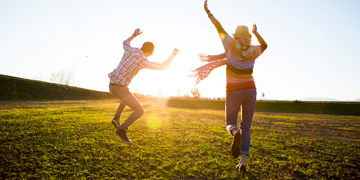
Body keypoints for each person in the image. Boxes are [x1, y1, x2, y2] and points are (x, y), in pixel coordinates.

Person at [190, 0, 268, 172]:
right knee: (246, 126)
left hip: (233, 91)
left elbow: (218, 26)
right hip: (250, 90)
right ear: (248, 36)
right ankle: (243, 162)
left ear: (235, 34)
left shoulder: (230, 43)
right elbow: (265, 45)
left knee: (230, 122)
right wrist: (257, 33)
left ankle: (234, 133)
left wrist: (208, 12)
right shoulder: (254, 49)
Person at [108, 28, 179, 144]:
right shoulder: (143, 60)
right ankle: (121, 130)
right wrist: (173, 54)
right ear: (150, 53)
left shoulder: (130, 50)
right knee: (139, 111)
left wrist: (134, 35)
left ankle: (116, 117)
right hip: (120, 87)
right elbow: (162, 66)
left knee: (127, 97)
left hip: (112, 84)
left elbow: (125, 42)